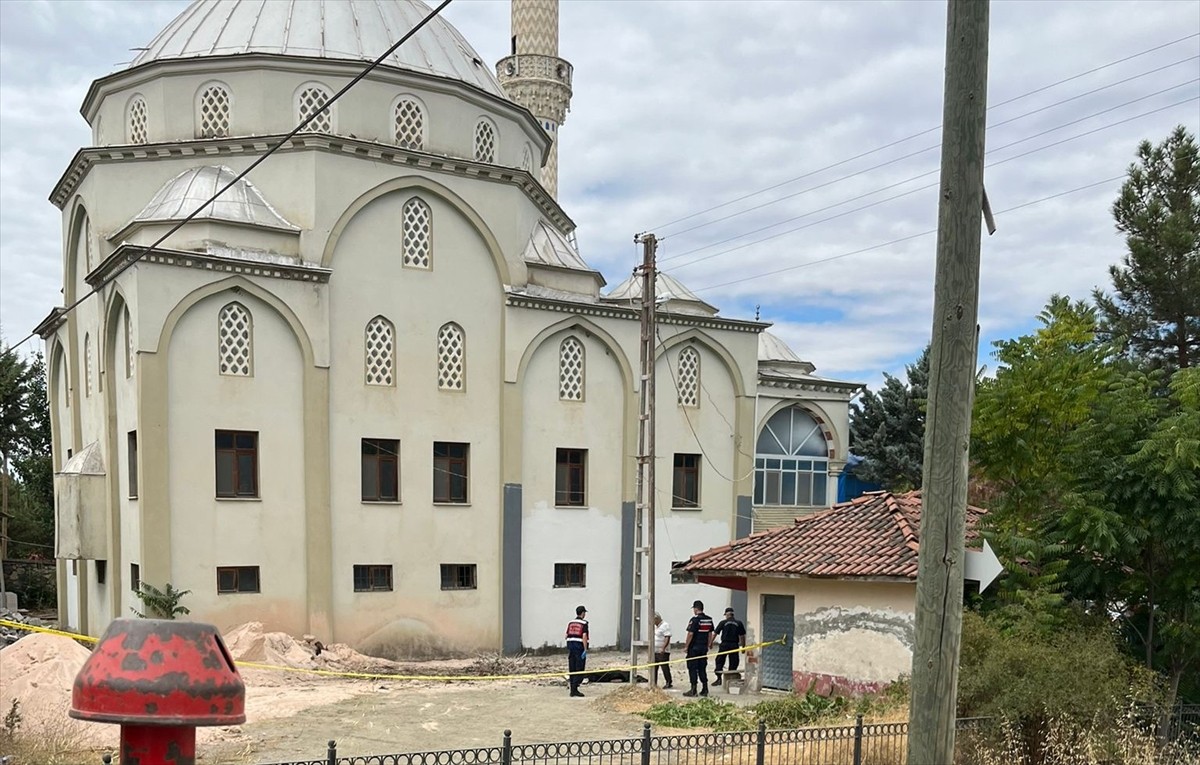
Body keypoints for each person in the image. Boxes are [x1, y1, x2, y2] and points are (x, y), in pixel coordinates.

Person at [682, 599, 714, 697]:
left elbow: (690, 634)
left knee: (692, 668)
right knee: (702, 668)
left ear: (696, 609)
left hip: (694, 648)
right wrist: (709, 644)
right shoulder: (709, 619)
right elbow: (710, 633)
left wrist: (686, 646)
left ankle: (693, 689)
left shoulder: (694, 620)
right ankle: (705, 688)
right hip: (703, 648)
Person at [712, 607, 747, 686]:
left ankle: (719, 678)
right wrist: (743, 647)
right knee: (734, 662)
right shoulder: (739, 623)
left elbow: (715, 633)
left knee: (719, 661)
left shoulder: (723, 622)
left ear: (727, 615)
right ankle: (731, 678)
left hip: (724, 644)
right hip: (734, 645)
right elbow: (742, 636)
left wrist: (710, 643)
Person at [565, 605, 589, 697]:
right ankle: (575, 689)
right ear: (582, 613)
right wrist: (585, 649)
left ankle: (572, 689)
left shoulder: (571, 622)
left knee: (572, 668)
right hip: (579, 647)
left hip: (571, 647)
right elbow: (584, 636)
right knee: (579, 669)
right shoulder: (584, 623)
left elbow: (566, 635)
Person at [653, 612, 673, 689]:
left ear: (657, 619)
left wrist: (663, 648)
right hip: (655, 650)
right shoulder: (655, 627)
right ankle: (654, 682)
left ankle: (668, 681)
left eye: (654, 620)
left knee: (664, 667)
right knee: (654, 667)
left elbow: (667, 637)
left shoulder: (665, 625)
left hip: (663, 651)